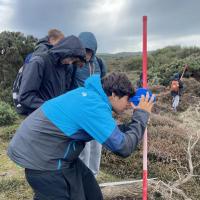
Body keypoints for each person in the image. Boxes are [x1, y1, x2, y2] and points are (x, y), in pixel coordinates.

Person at [8, 72, 154, 200]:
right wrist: (141, 116)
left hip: (55, 155)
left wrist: (134, 123)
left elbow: (111, 133)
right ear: (114, 95)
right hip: (44, 163)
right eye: (128, 99)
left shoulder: (90, 96)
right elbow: (123, 147)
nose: (129, 104)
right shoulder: (92, 105)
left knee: (92, 194)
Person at [18, 35, 86, 115]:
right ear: (65, 51)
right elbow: (25, 97)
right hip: (37, 116)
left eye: (74, 60)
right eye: (71, 58)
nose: (70, 62)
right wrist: (51, 107)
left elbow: (64, 91)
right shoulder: (38, 62)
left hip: (54, 116)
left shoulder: (65, 67)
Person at [73, 32, 107, 176]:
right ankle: (83, 174)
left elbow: (103, 81)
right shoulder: (75, 64)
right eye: (83, 51)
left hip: (96, 108)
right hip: (80, 108)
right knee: (84, 145)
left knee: (96, 143)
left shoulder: (99, 62)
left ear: (93, 50)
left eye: (89, 51)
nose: (86, 54)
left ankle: (93, 174)